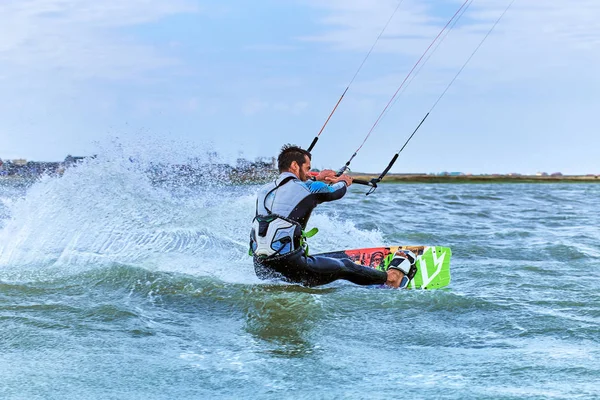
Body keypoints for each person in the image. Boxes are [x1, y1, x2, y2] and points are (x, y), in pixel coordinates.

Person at [249, 144, 417, 288]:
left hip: (262, 267)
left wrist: (319, 179)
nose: (309, 173)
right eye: (307, 169)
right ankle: (392, 279)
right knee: (345, 267)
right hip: (292, 267)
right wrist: (343, 181)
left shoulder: (264, 191)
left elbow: (295, 192)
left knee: (317, 258)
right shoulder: (307, 188)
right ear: (294, 165)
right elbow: (333, 192)